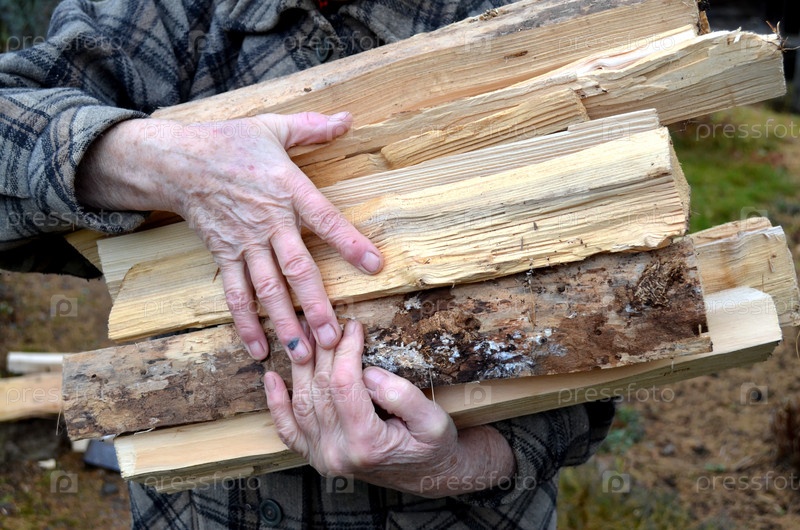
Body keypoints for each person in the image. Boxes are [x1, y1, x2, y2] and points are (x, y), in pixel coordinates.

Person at [0, 0, 615, 528]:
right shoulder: (162, 14)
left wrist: (462, 465)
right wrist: (165, 163)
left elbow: (606, 341)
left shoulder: (513, 16)